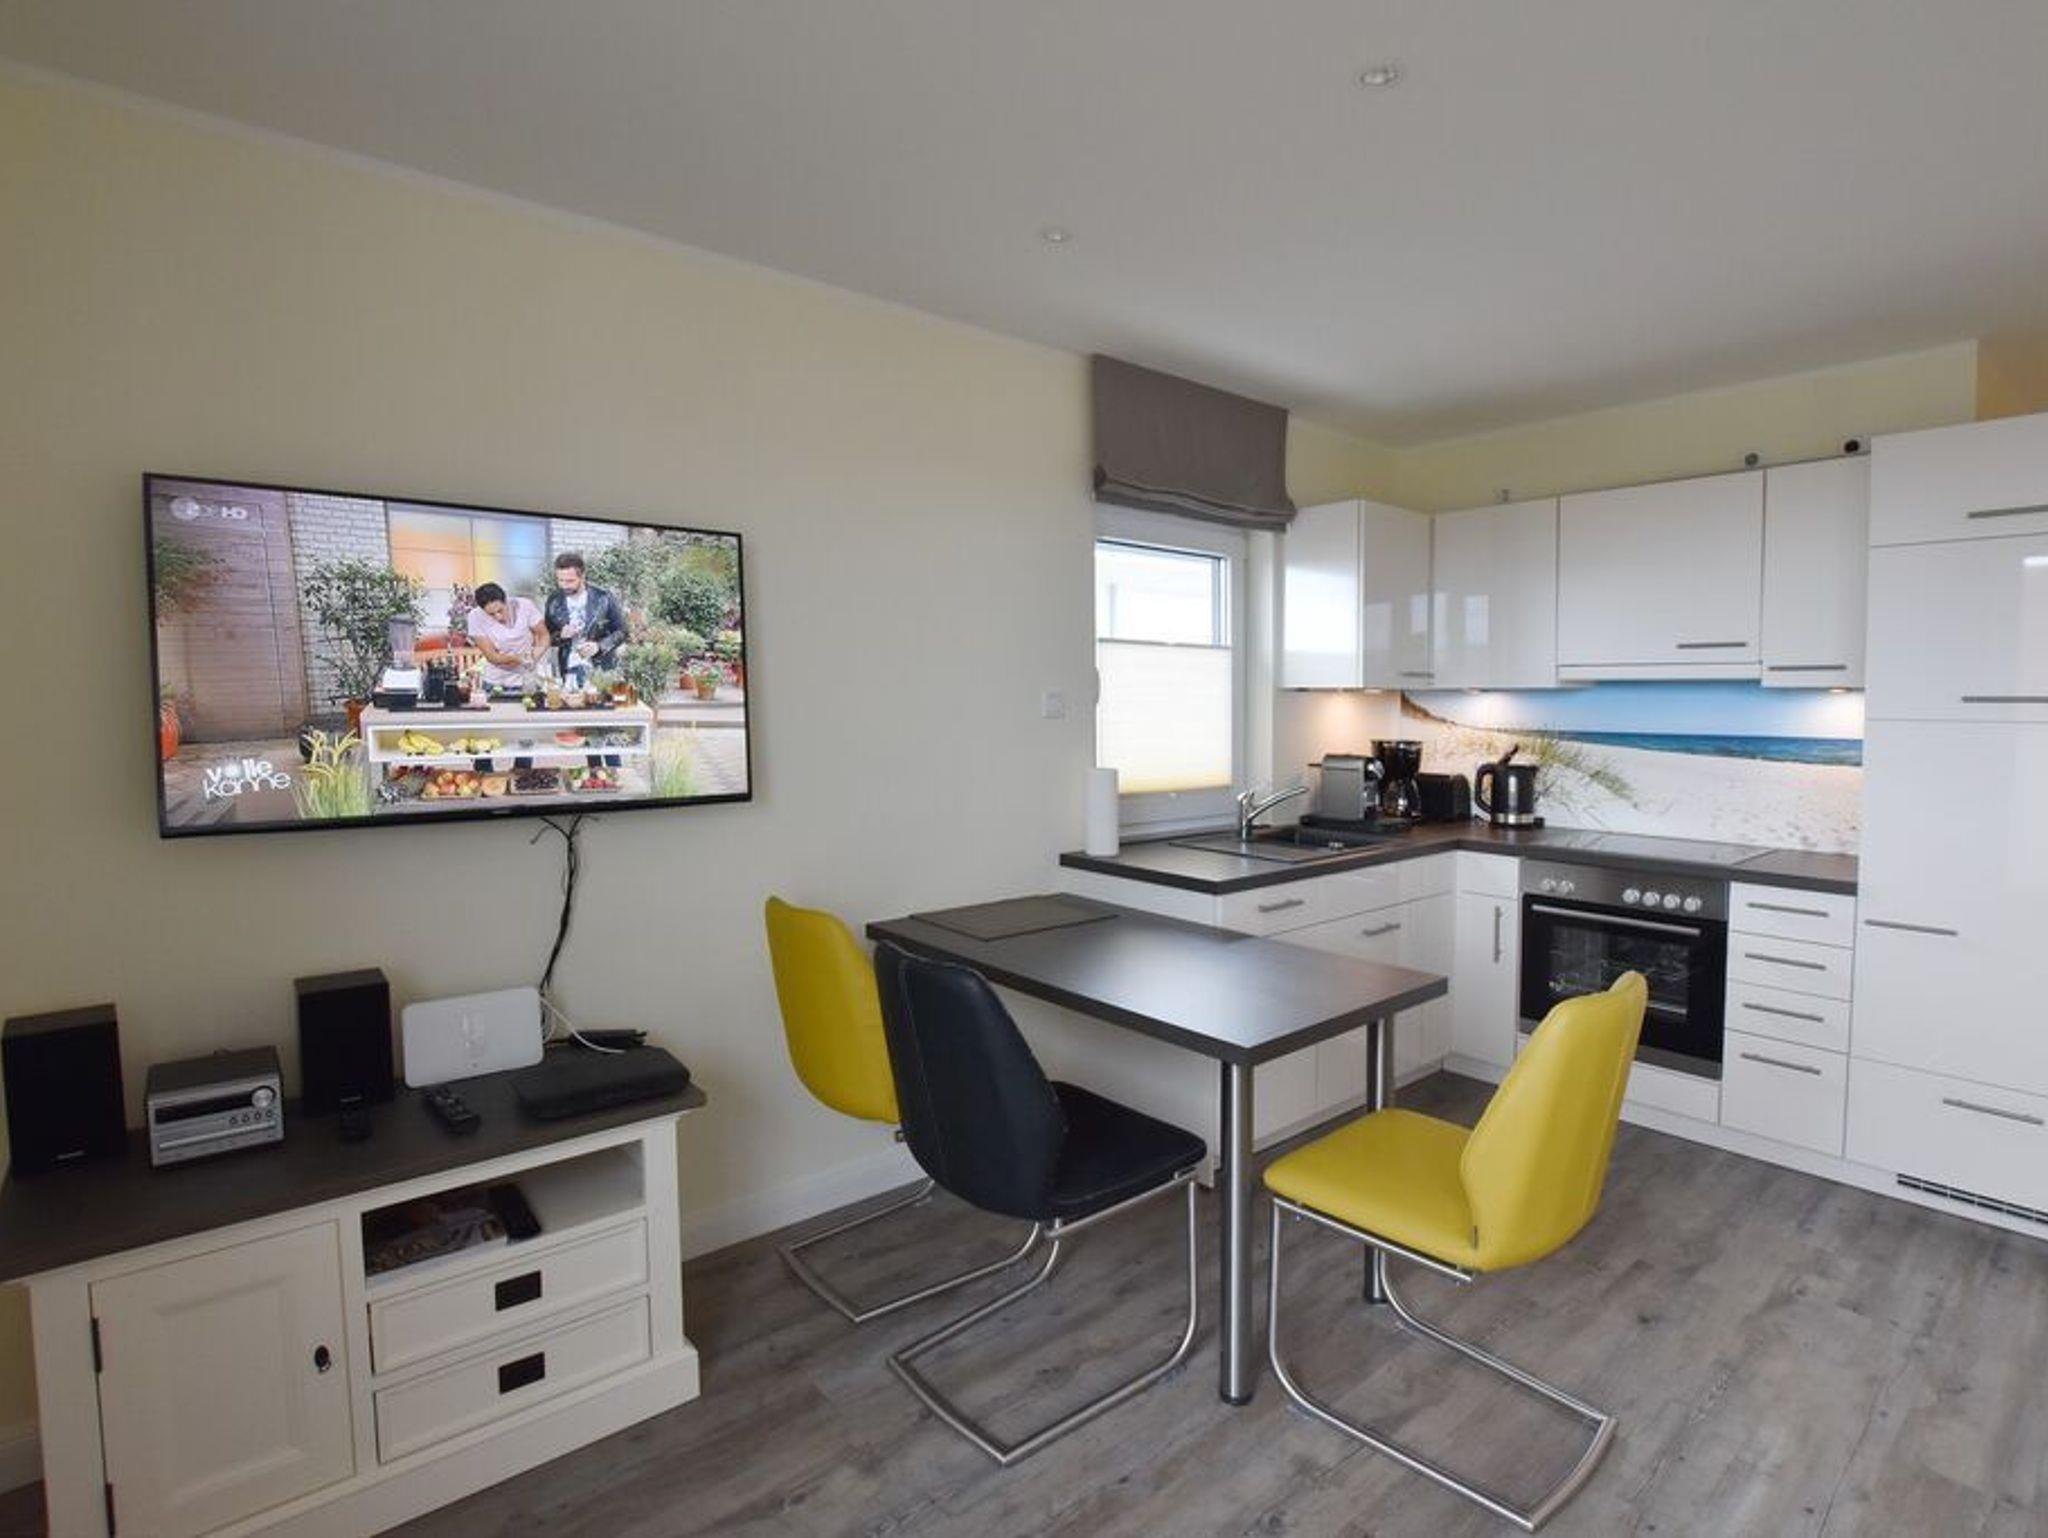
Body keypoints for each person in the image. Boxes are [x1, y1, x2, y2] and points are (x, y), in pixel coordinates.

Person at [544, 551, 629, 684]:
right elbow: (546, 636)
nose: (564, 585)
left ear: (582, 576)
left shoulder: (603, 597)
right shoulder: (554, 600)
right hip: (569, 669)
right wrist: (560, 635)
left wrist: (599, 646)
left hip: (601, 670)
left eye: (570, 581)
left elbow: (622, 631)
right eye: (560, 580)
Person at [464, 582, 548, 691]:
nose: (498, 617)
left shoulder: (525, 606)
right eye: (491, 614)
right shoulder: (475, 617)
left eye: (500, 610)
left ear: (506, 601)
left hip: (527, 680)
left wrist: (534, 656)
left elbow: (543, 635)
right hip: (495, 682)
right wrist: (519, 658)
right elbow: (492, 657)